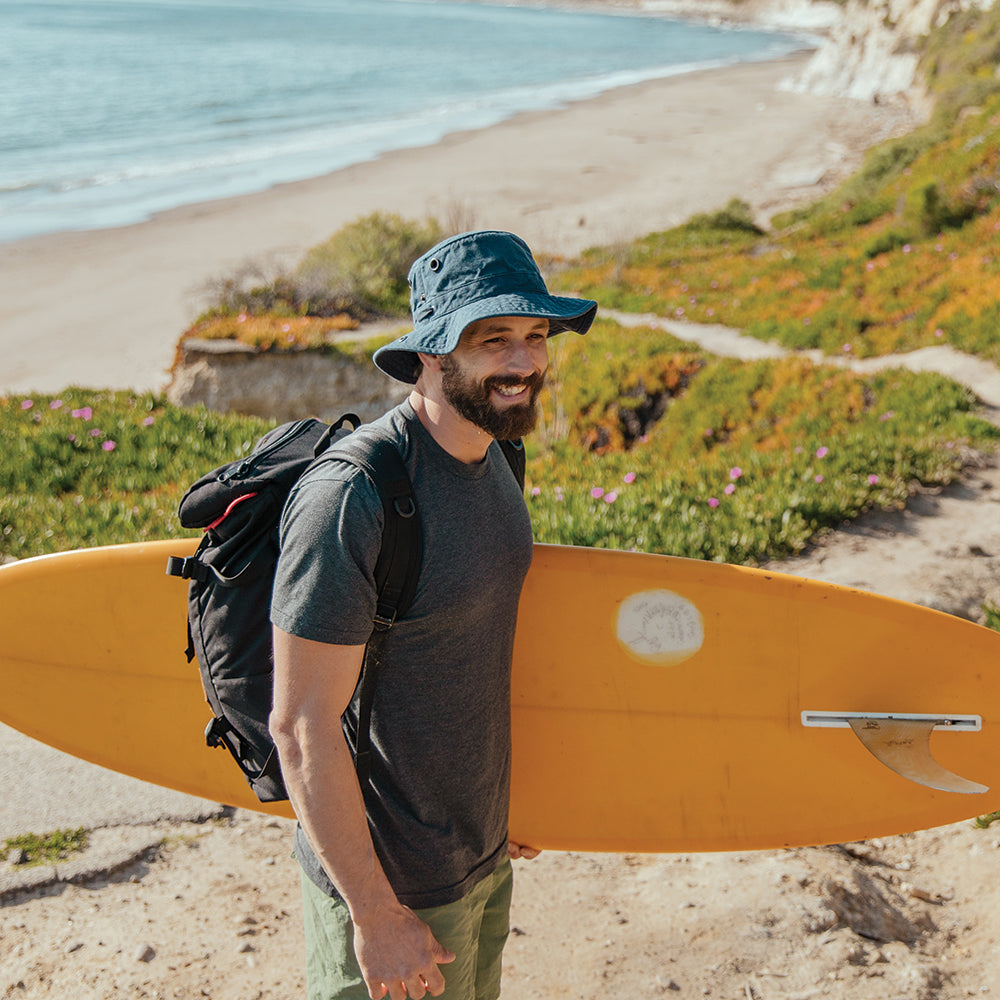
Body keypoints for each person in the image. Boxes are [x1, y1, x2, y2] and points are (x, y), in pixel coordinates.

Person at [268, 230, 597, 1000]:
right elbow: (301, 724)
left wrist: (503, 810)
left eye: (536, 335)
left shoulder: (498, 458)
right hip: (391, 883)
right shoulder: (354, 496)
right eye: (492, 339)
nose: (523, 361)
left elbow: (473, 655)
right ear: (429, 354)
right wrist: (373, 913)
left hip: (480, 858)